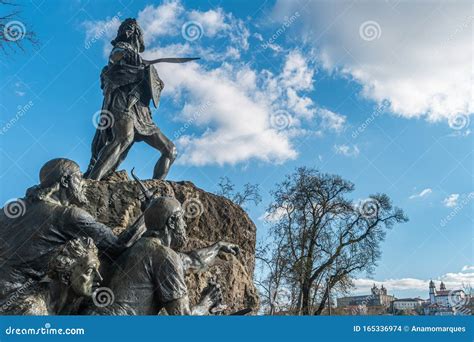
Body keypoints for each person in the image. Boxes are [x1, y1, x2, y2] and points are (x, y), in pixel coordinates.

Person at [0, 158, 145, 305]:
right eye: (79, 177)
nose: (83, 184)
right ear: (64, 181)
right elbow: (119, 246)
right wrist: (150, 213)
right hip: (20, 297)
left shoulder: (10, 209)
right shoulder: (69, 216)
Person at [95, 197, 240, 315]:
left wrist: (218, 246)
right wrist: (205, 304)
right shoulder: (164, 256)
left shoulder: (140, 247)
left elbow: (193, 261)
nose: (184, 225)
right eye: (182, 219)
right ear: (171, 222)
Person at [84, 18, 176, 181]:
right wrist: (127, 54)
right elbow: (114, 58)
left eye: (132, 30)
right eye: (127, 29)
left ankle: (155, 187)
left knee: (170, 150)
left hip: (142, 111)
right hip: (123, 102)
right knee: (124, 137)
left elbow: (154, 85)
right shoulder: (122, 48)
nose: (129, 32)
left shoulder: (140, 63)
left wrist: (156, 82)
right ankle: (92, 181)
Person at [1, 237, 102, 315]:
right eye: (89, 271)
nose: (99, 277)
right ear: (65, 276)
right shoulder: (32, 310)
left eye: (97, 269)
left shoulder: (74, 305)